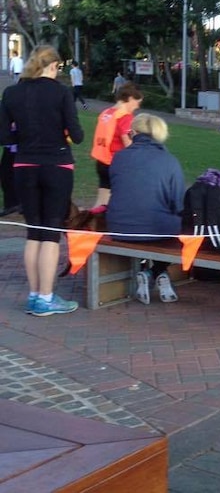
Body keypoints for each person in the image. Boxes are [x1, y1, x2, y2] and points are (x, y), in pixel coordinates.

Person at [0, 45, 85, 316]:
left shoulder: (12, 93)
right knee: (50, 232)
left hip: (24, 165)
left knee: (33, 231)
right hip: (56, 165)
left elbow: (4, 136)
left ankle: (35, 294)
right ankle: (46, 297)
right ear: (53, 66)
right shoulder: (60, 92)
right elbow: (77, 134)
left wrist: (24, 140)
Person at [106, 113, 184, 304]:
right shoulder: (169, 161)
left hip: (119, 226)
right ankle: (157, 270)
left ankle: (146, 270)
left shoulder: (119, 158)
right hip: (159, 228)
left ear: (133, 133)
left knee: (146, 230)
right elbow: (178, 202)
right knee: (179, 228)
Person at [90, 83, 143, 209]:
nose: (137, 107)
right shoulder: (126, 117)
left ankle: (87, 224)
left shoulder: (106, 113)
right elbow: (129, 144)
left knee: (101, 202)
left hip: (101, 162)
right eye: (137, 102)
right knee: (120, 204)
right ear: (130, 98)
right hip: (116, 164)